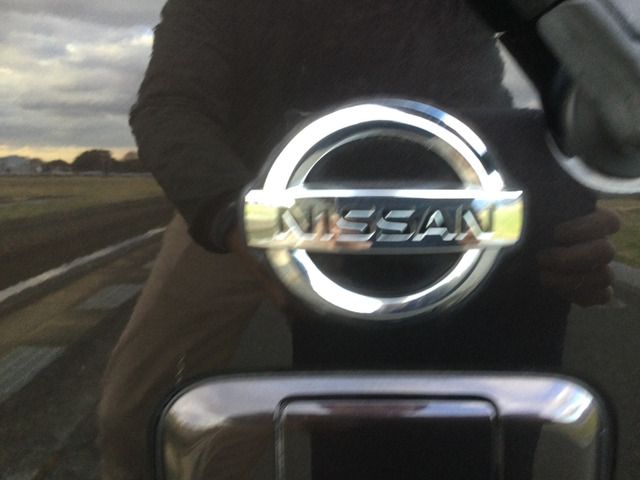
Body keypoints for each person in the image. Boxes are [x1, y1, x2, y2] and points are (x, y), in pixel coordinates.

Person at [97, 1, 621, 478]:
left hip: (409, 196)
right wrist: (231, 217)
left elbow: (483, 98)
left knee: (434, 414)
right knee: (134, 413)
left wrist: (545, 208)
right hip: (243, 200)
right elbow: (169, 107)